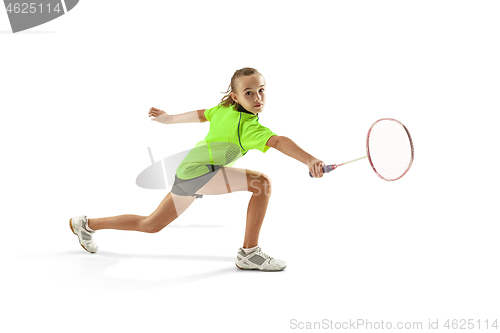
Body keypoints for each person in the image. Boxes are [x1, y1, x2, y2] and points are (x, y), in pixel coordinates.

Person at [69, 67, 326, 272]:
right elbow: (279, 141)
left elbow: (204, 114)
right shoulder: (247, 127)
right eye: (249, 93)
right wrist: (309, 159)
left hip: (189, 172)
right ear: (235, 96)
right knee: (262, 184)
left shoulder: (226, 108)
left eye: (261, 90)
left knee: (151, 224)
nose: (258, 98)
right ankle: (250, 253)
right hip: (199, 173)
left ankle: (86, 224)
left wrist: (169, 120)